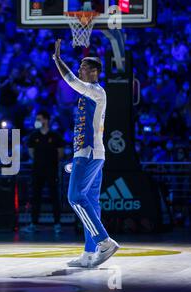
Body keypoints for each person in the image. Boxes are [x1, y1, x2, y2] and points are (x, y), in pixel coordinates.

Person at [53, 39, 119, 268]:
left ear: (94, 71)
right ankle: (90, 253)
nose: (79, 70)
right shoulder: (90, 94)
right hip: (92, 153)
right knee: (91, 200)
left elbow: (69, 79)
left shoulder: (96, 91)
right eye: (79, 67)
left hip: (89, 154)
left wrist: (58, 60)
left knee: (75, 197)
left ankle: (104, 241)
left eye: (82, 67)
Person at [24, 110, 64, 234]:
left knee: (54, 197)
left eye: (39, 119)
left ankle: (57, 224)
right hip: (37, 171)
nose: (37, 121)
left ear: (46, 120)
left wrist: (51, 163)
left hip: (52, 171)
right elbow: (31, 153)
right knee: (36, 197)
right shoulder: (33, 136)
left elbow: (60, 153)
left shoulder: (55, 136)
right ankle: (33, 223)